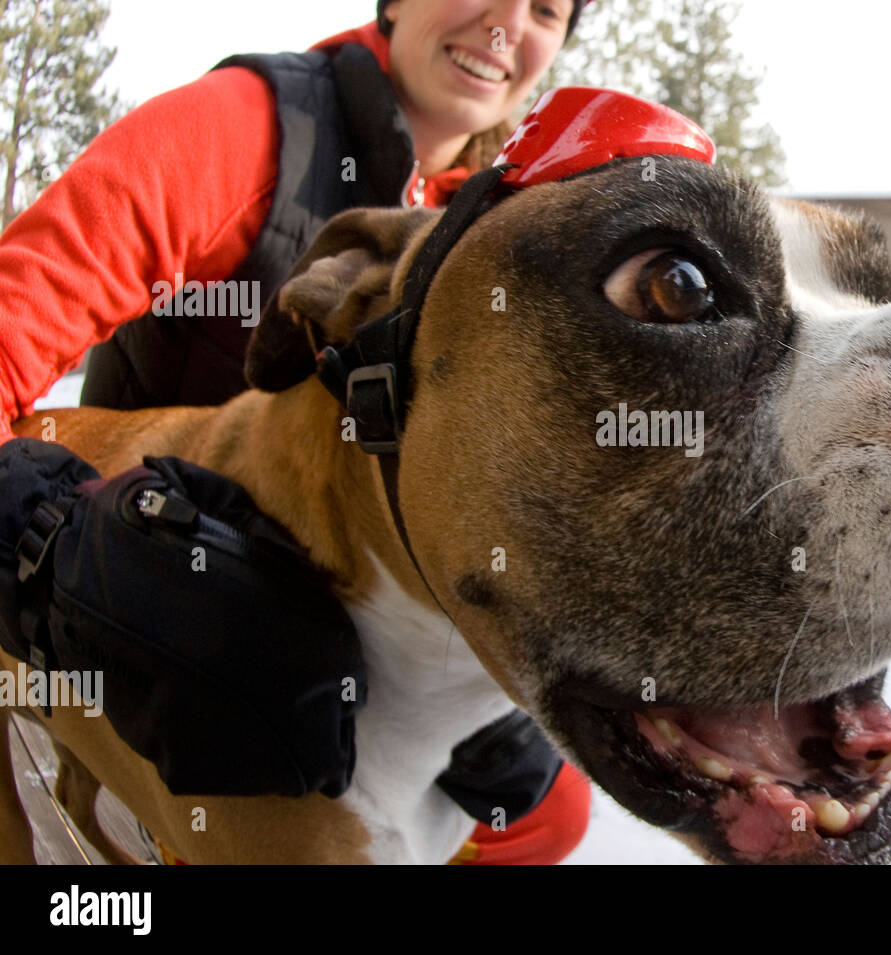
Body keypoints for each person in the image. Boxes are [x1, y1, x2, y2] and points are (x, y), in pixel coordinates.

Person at [0, 0, 591, 865]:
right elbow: (17, 313)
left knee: (542, 809)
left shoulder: (499, 218)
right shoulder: (249, 126)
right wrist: (36, 531)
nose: (507, 23)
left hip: (375, 618)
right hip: (178, 585)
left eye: (547, 8)